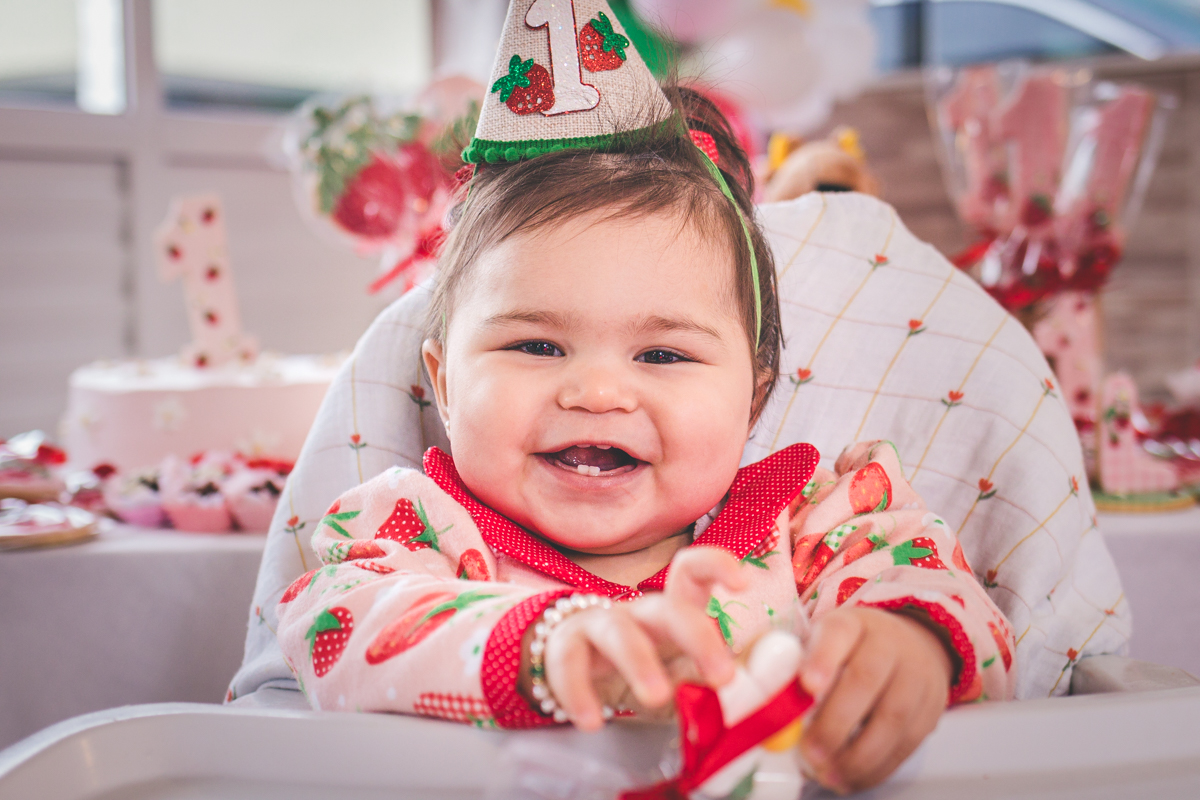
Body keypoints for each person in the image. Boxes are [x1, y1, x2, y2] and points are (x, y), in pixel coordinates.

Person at [276, 4, 1015, 793]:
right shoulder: (417, 534)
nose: (597, 392)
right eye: (536, 346)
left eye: (663, 354)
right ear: (446, 385)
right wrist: (546, 646)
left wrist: (909, 645)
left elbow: (943, 591)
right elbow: (334, 626)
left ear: (754, 400)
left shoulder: (814, 530)